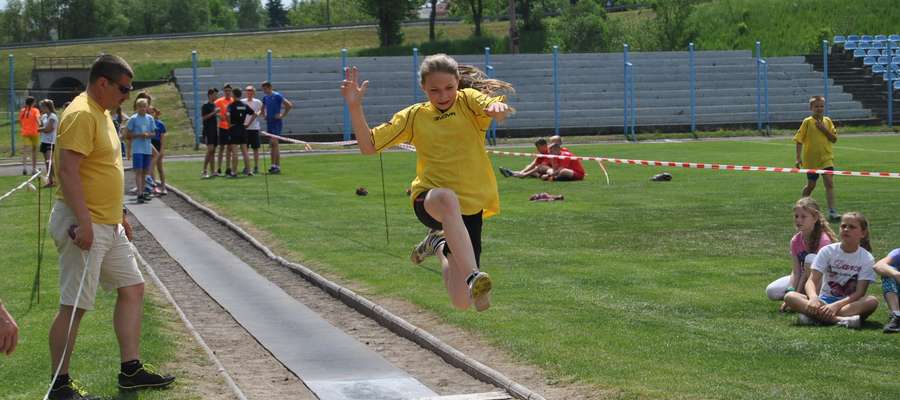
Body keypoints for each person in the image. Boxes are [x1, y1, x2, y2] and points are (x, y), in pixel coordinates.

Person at [341, 54, 513, 312]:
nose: (443, 95)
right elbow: (368, 146)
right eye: (434, 90)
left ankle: (439, 245)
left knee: (462, 302)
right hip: (430, 199)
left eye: (449, 88)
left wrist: (495, 109)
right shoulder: (414, 116)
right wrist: (354, 106)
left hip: (469, 210)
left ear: (457, 82)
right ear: (423, 88)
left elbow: (489, 106)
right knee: (447, 199)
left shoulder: (468, 102)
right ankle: (473, 275)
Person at [48, 54, 174, 400]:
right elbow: (68, 172)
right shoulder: (80, 114)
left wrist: (119, 214)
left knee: (133, 288)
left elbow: (103, 170)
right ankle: (59, 385)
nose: (127, 94)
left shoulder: (102, 112)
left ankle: (130, 370)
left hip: (107, 222)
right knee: (74, 305)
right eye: (123, 88)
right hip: (83, 223)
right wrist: (86, 224)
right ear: (102, 82)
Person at [783, 212, 879, 329]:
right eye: (843, 226)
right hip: (822, 301)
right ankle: (840, 320)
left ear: (862, 233)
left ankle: (813, 317)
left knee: (872, 301)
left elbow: (860, 292)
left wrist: (835, 306)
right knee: (790, 297)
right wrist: (813, 298)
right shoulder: (827, 251)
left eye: (852, 227)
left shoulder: (866, 258)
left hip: (847, 305)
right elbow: (812, 280)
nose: (846, 229)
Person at [765, 197, 836, 311]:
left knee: (810, 259)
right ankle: (803, 299)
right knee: (771, 291)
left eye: (803, 216)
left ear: (815, 218)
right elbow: (796, 271)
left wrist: (794, 294)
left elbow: (815, 273)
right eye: (796, 216)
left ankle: (809, 300)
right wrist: (790, 291)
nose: (799, 220)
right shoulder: (795, 240)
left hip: (822, 281)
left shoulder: (824, 241)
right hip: (804, 278)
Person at [794, 95, 839, 221]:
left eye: (821, 106)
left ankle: (832, 211)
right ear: (811, 108)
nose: (819, 109)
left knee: (829, 183)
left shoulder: (828, 121)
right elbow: (799, 140)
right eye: (816, 106)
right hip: (811, 160)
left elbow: (834, 139)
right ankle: (801, 205)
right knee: (811, 185)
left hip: (826, 158)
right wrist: (798, 158)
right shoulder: (807, 122)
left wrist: (824, 129)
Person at [125, 98, 155, 203]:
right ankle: (139, 193)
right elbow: (127, 134)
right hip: (137, 149)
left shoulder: (150, 118)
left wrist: (148, 135)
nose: (142, 109)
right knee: (139, 171)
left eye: (144, 106)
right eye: (140, 107)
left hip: (147, 148)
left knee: (145, 172)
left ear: (147, 107)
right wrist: (139, 135)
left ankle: (143, 191)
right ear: (137, 108)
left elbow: (154, 133)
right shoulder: (133, 119)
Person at [261, 81, 293, 174]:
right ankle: (274, 166)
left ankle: (275, 166)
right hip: (270, 122)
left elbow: (289, 105)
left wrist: (282, 115)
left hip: (276, 122)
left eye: (265, 89)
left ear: (269, 87)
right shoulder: (265, 97)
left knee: (273, 142)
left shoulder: (277, 95)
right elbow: (263, 108)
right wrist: (264, 115)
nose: (264, 91)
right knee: (275, 145)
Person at [226, 88, 256, 177]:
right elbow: (254, 113)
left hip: (234, 128)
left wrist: (229, 124)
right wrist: (248, 124)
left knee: (235, 151)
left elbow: (227, 114)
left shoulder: (231, 105)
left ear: (234, 95)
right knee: (245, 151)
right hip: (243, 128)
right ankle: (249, 171)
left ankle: (234, 172)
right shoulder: (244, 105)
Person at [874, 249, 900, 333]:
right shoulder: (898, 253)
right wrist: (896, 274)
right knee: (888, 273)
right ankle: (896, 315)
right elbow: (878, 266)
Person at [243, 85, 264, 175]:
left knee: (255, 148)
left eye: (251, 91)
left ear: (254, 92)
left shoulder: (258, 102)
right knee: (245, 149)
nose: (249, 92)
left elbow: (262, 111)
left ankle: (256, 166)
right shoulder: (242, 102)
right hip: (245, 128)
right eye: (247, 91)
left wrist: (259, 113)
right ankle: (247, 166)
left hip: (254, 128)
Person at [214, 84, 234, 176]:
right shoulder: (219, 101)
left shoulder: (233, 101)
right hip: (222, 127)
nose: (227, 92)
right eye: (226, 90)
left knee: (229, 148)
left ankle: (228, 168)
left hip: (231, 127)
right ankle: (218, 168)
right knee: (221, 147)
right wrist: (219, 116)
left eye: (229, 90)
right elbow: (214, 111)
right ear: (224, 91)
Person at [39, 99, 60, 188]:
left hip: (51, 142)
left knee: (50, 162)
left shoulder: (53, 116)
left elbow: (48, 129)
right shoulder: (43, 116)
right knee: (47, 163)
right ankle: (50, 181)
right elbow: (41, 126)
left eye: (43, 107)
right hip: (44, 141)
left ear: (47, 107)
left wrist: (35, 130)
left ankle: (56, 180)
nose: (41, 108)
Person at [19, 96, 42, 175]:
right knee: (34, 151)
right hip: (34, 132)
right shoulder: (35, 110)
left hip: (25, 133)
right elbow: (37, 118)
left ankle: (24, 168)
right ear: (33, 103)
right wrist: (40, 125)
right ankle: (33, 169)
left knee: (25, 151)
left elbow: (21, 121)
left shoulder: (22, 111)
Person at [201, 88, 219, 179]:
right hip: (208, 131)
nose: (216, 96)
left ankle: (213, 171)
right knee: (210, 150)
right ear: (210, 95)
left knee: (213, 151)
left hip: (214, 130)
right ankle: (204, 170)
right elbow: (204, 118)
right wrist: (214, 112)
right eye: (215, 95)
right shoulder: (205, 105)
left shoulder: (214, 105)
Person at [149, 107, 167, 195]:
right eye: (149, 112)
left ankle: (163, 187)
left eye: (152, 112)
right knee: (151, 168)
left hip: (158, 145)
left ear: (155, 113)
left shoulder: (160, 124)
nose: (151, 114)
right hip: (150, 145)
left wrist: (162, 150)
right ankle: (153, 187)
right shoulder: (147, 123)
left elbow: (162, 139)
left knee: (160, 167)